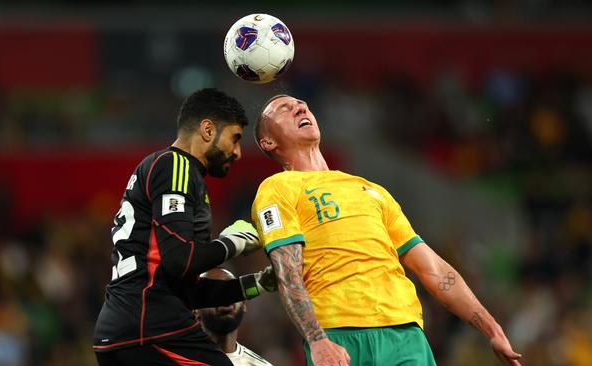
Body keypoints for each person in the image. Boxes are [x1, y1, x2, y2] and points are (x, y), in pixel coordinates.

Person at [251, 94, 523, 366]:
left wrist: (492, 329)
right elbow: (287, 270)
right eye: (285, 109)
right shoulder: (277, 189)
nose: (300, 107)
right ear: (268, 142)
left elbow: (434, 270)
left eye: (303, 105)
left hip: (405, 335)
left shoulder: (373, 191)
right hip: (339, 337)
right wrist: (316, 339)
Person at [93, 88, 273, 366]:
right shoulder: (175, 164)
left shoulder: (174, 173)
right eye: (235, 138)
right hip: (153, 330)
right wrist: (232, 243)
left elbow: (184, 290)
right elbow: (180, 260)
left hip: (127, 333)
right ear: (208, 129)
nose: (237, 152)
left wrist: (255, 284)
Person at [195, 267, 274, 366]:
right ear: (195, 310)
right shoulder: (176, 358)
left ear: (244, 304)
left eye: (232, 290)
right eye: (212, 291)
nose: (225, 296)